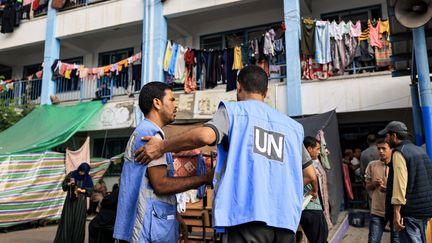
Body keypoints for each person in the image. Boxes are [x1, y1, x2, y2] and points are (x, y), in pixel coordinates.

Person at [135, 65, 318, 243]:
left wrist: (161, 146)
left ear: (238, 86)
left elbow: (205, 136)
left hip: (244, 219)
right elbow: (310, 175)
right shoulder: (293, 128)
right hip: (285, 221)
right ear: (266, 91)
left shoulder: (234, 112)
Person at [113, 82, 213, 243]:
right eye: (172, 99)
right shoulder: (149, 134)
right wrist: (204, 178)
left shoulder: (151, 133)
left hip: (151, 225)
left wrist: (176, 216)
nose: (176, 105)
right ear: (157, 103)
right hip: (146, 230)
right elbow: (160, 185)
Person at [379, 121, 432, 243]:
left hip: (410, 211)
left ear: (394, 136)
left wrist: (396, 212)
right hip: (425, 208)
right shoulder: (419, 150)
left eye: (387, 136)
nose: (386, 139)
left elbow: (400, 184)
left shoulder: (399, 152)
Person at [365, 139, 399, 243]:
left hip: (395, 211)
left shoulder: (398, 165)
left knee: (396, 240)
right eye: (379, 148)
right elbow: (367, 186)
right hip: (377, 211)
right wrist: (374, 184)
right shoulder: (372, 165)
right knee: (373, 240)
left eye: (384, 148)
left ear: (391, 150)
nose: (380, 151)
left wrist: (389, 190)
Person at [54, 163, 94, 243]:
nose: (81, 173)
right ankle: (64, 240)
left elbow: (90, 191)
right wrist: (68, 184)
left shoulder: (87, 178)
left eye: (83, 172)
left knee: (78, 222)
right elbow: (64, 186)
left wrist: (82, 190)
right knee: (67, 221)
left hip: (80, 203)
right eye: (80, 171)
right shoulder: (72, 174)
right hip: (70, 202)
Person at [300, 136, 329, 243]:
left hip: (310, 209)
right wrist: (315, 191)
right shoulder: (306, 164)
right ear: (309, 149)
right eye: (317, 149)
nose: (319, 152)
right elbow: (312, 177)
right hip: (311, 208)